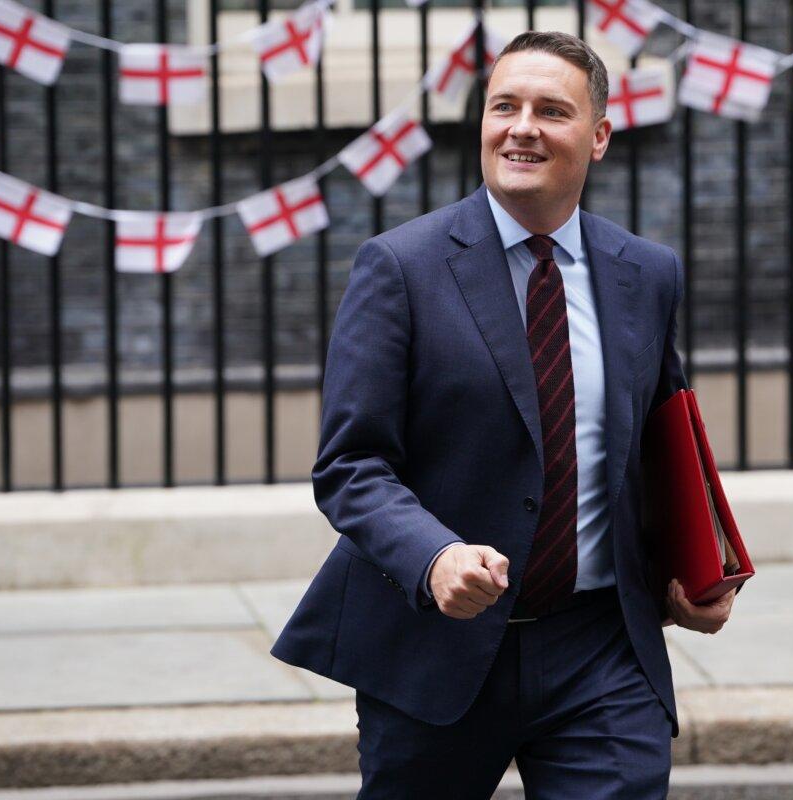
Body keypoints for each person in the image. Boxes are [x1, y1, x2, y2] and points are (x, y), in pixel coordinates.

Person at [271, 29, 737, 799]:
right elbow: (350, 466)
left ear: (599, 137)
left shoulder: (646, 274)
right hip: (436, 650)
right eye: (504, 106)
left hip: (601, 649)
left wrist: (693, 568)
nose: (521, 126)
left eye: (551, 110)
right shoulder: (401, 268)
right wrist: (434, 557)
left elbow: (663, 443)